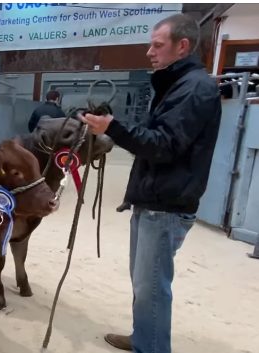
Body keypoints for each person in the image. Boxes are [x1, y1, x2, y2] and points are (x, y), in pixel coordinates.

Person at [81, 13, 222, 353]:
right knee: (144, 284)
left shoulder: (194, 89)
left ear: (182, 46)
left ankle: (151, 346)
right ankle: (145, 337)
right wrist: (114, 125)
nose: (149, 52)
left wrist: (113, 128)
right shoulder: (175, 85)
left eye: (157, 45)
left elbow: (163, 144)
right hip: (154, 199)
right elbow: (155, 136)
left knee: (153, 286)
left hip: (166, 205)